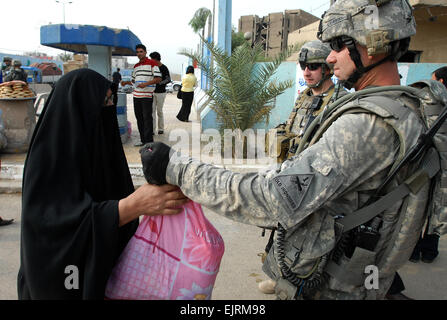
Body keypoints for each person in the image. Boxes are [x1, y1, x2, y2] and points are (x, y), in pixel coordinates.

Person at [140, 0, 440, 300]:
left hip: (333, 288)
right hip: (365, 277)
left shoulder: (367, 125)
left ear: (374, 44)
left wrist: (177, 167)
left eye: (338, 44)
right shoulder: (411, 107)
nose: (331, 57)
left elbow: (273, 199)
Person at [17, 69, 188, 299]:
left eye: (111, 99)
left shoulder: (97, 150)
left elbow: (110, 195)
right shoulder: (48, 159)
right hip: (62, 284)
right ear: (78, 108)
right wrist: (131, 207)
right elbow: (52, 228)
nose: (109, 107)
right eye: (104, 101)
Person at [259, 39, 347, 294]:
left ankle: (305, 283)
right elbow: (289, 129)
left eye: (314, 66)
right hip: (292, 176)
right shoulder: (304, 97)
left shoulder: (340, 101)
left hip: (320, 182)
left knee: (312, 239)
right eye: (303, 66)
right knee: (282, 229)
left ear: (327, 69)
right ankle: (277, 277)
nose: (307, 72)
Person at [408, 65, 447, 264]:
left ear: (439, 82)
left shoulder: (433, 105)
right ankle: (429, 251)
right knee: (438, 208)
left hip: (428, 168)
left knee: (420, 210)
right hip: (442, 173)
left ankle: (414, 251)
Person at [121, 44, 162, 146]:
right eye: (137, 52)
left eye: (141, 51)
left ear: (145, 52)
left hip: (147, 96)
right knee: (139, 118)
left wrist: (146, 84)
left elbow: (158, 79)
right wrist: (126, 83)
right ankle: (143, 140)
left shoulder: (152, 63)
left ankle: (149, 142)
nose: (139, 54)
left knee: (147, 118)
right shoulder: (136, 66)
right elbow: (134, 81)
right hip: (136, 96)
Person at [149, 52, 171, 135]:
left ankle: (161, 129)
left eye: (152, 59)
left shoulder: (164, 68)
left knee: (159, 111)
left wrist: (159, 83)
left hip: (161, 93)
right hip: (152, 92)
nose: (151, 60)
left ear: (156, 59)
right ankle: (152, 130)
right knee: (152, 111)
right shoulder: (152, 68)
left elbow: (168, 79)